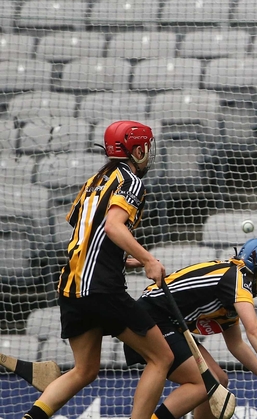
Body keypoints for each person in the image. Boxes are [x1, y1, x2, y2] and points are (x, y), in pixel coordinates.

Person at [23, 121, 173, 419]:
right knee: (161, 358)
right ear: (138, 150)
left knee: (85, 370)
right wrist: (147, 260)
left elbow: (85, 233)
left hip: (70, 288)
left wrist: (120, 259)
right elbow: (113, 226)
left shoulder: (94, 180)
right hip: (101, 290)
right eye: (148, 148)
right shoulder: (130, 181)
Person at [123, 237, 257, 419]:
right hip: (150, 317)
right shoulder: (237, 280)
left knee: (220, 381)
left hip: (168, 324)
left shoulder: (232, 288)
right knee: (207, 384)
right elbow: (254, 330)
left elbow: (237, 345)